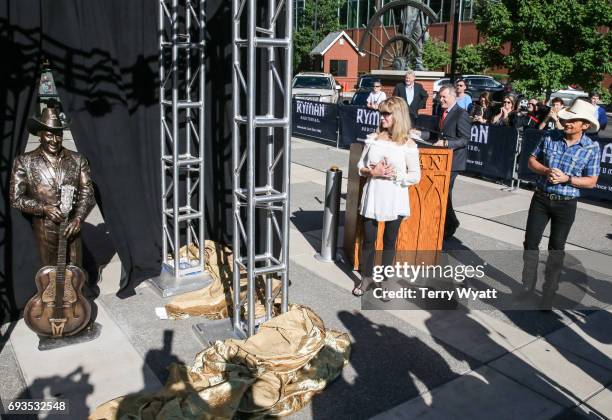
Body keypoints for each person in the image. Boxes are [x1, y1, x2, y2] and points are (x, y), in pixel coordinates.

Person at [521, 99, 601, 309]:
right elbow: (531, 161)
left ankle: (548, 293)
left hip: (566, 204)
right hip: (541, 198)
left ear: (585, 125)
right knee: (530, 243)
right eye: (566, 119)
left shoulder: (591, 148)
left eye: (573, 120)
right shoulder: (550, 136)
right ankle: (527, 285)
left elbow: (592, 181)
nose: (567, 123)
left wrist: (568, 179)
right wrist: (546, 171)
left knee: (556, 248)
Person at [10, 107, 95, 268]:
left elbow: (88, 192)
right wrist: (44, 208)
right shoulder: (24, 161)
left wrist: (79, 218)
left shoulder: (78, 159)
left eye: (58, 135)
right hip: (44, 229)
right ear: (40, 134)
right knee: (49, 273)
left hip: (72, 227)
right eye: (49, 134)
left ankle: (74, 293)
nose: (54, 140)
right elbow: (16, 198)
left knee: (76, 272)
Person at [354, 97, 421, 296]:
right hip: (373, 195)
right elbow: (360, 167)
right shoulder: (373, 139)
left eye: (386, 114)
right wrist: (371, 172)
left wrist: (396, 175)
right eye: (381, 113)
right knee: (369, 240)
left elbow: (416, 176)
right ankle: (366, 278)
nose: (381, 117)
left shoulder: (408, 144)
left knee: (389, 242)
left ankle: (383, 281)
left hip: (395, 197)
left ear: (398, 116)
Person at [431, 85, 471, 239]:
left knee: (444, 193)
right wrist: (419, 133)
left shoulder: (461, 114)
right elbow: (438, 135)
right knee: (442, 193)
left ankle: (450, 224)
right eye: (440, 97)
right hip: (442, 161)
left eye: (444, 97)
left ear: (453, 97)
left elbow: (465, 139)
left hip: (454, 162)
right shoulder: (443, 112)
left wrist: (446, 144)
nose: (440, 100)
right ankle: (449, 222)